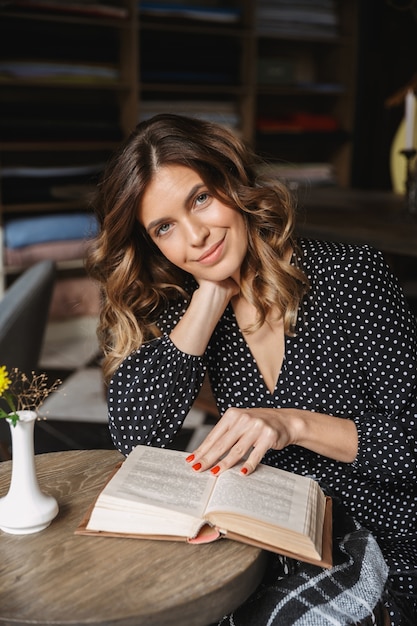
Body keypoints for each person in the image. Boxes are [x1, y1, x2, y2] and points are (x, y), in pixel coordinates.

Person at [87, 113, 417, 625]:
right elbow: (133, 433)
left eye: (200, 198)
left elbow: (410, 444)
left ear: (231, 183)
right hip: (272, 538)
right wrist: (211, 293)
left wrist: (293, 424)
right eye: (165, 227)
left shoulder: (351, 275)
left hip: (384, 532)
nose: (196, 236)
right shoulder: (188, 309)